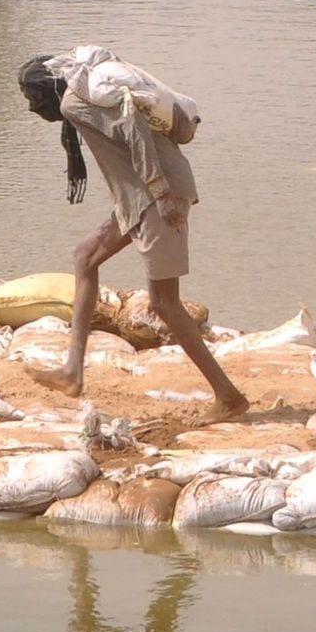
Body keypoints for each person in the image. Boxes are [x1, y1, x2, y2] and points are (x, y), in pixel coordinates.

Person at [19, 46, 246, 416]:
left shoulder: (75, 103)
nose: (31, 106)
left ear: (49, 89)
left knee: (164, 303)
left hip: (159, 197)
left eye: (31, 96)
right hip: (138, 199)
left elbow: (134, 126)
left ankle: (229, 396)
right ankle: (72, 371)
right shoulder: (79, 102)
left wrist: (160, 192)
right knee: (85, 257)